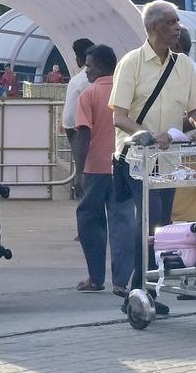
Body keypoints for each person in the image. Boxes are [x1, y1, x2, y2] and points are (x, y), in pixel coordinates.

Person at [110, 0, 196, 316]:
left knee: (162, 226)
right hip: (136, 157)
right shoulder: (132, 63)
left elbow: (195, 109)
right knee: (149, 221)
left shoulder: (183, 65)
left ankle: (148, 290)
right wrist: (148, 134)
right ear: (154, 27)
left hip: (168, 161)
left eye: (178, 21)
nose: (177, 26)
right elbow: (120, 117)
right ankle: (136, 290)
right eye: (171, 22)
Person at [72, 45, 134, 297]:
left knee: (89, 220)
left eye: (89, 67)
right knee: (123, 223)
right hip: (125, 167)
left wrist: (78, 173)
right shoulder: (127, 93)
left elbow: (82, 134)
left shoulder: (88, 95)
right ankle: (121, 281)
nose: (86, 71)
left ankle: (96, 278)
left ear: (99, 67)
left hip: (96, 169)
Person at [169, 27, 196, 225]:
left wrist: (163, 125)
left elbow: (195, 115)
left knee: (183, 215)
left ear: (176, 44)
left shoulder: (189, 72)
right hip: (189, 149)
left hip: (187, 149)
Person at [62, 38, 95, 200]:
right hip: (115, 153)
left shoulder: (77, 82)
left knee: (89, 204)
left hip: (87, 151)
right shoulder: (117, 80)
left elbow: (69, 121)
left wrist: (76, 152)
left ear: (81, 59)